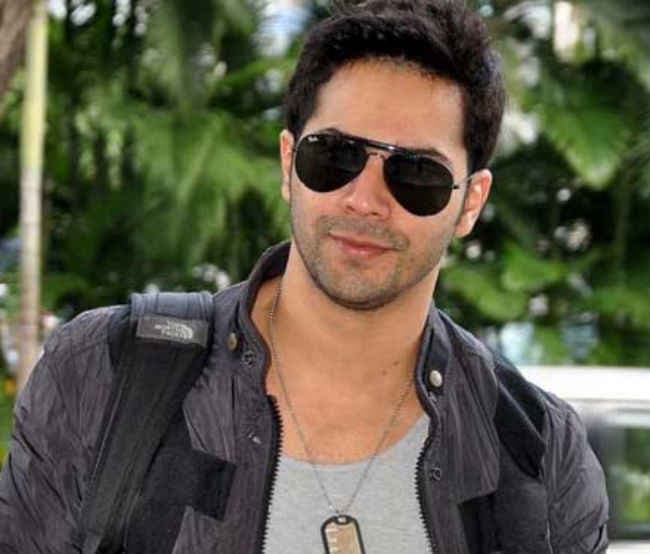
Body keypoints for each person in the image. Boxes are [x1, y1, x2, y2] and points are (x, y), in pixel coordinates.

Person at [0, 1, 609, 553]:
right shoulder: (107, 372)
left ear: (470, 202)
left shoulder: (538, 453)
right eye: (335, 156)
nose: (364, 200)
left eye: (416, 175)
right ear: (289, 163)